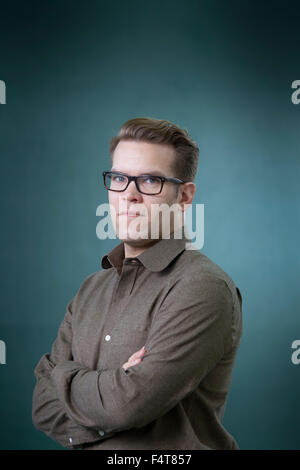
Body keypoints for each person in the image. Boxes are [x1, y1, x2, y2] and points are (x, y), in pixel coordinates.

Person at [32, 117, 243, 450]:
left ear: (184, 196)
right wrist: (111, 389)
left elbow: (126, 405)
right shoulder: (91, 289)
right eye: (118, 178)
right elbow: (42, 406)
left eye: (149, 181)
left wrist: (62, 376)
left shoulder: (203, 287)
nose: (128, 195)